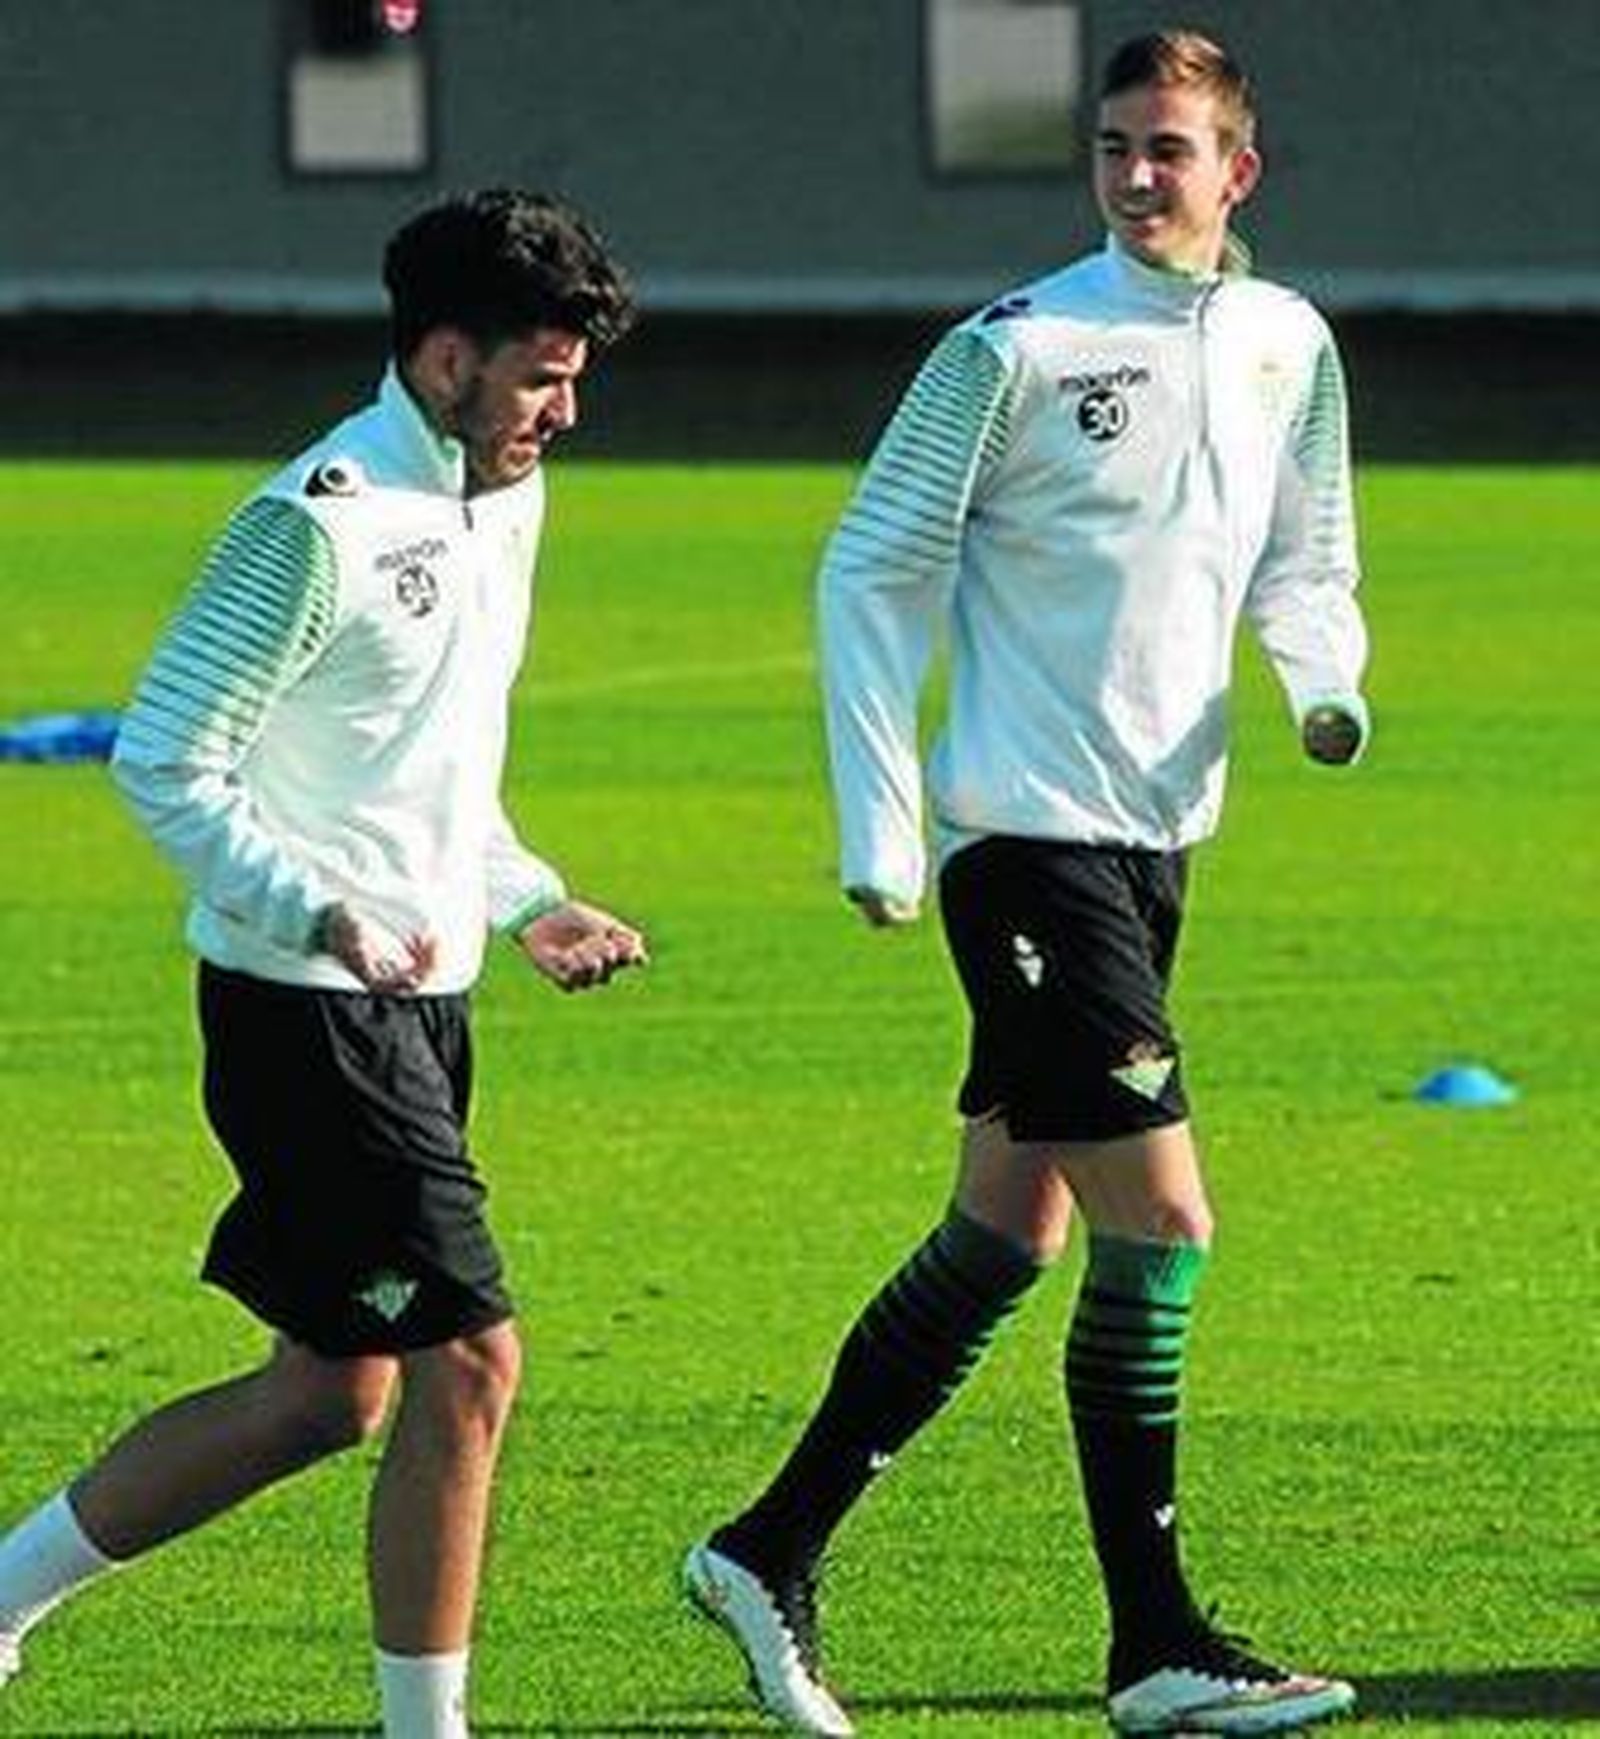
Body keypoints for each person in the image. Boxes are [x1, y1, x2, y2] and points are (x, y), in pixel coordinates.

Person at [684, 29, 1367, 1738]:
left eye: (1172, 149)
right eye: (1116, 146)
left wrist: (1326, 679)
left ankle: (765, 1549)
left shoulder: (1289, 343)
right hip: (1027, 850)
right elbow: (870, 570)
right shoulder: (1016, 347)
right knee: (1169, 1225)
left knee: (1010, 1231)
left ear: (1240, 173)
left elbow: (1310, 551)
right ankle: (1155, 1648)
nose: (1141, 176)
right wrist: (882, 826)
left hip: (1157, 847)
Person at [0, 188, 647, 1738]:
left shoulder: (502, 505)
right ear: (440, 359)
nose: (566, 409)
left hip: (423, 1010)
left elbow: (430, 766)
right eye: (541, 376)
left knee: (328, 1391)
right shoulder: (317, 525)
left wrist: (523, 898)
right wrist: (317, 911)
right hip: (308, 1016)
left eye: (573, 377)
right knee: (472, 1364)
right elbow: (165, 760)